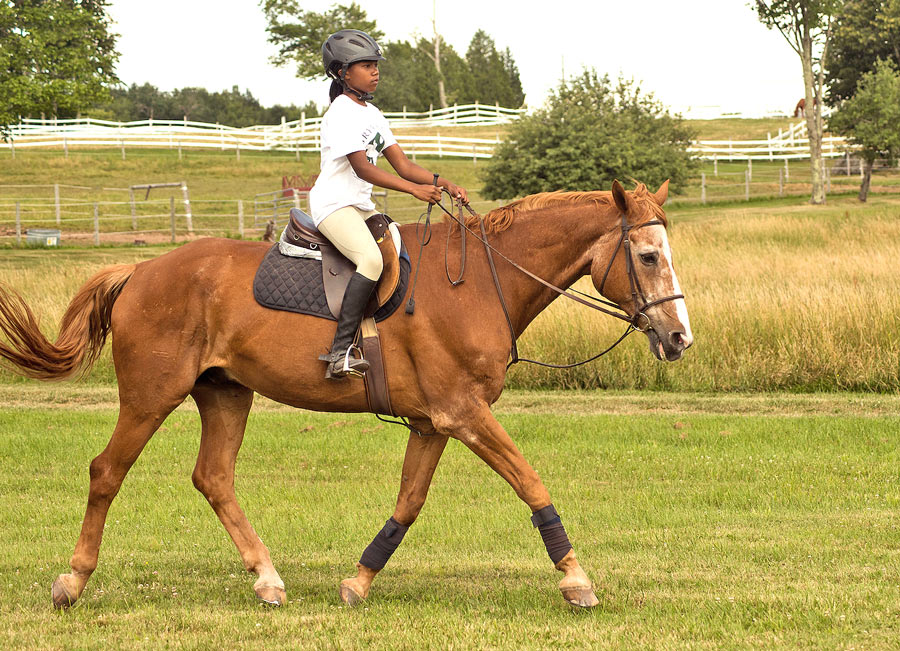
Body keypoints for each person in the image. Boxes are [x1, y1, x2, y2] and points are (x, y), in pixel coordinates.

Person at [310, 29, 469, 379]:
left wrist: (444, 183)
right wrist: (413, 192)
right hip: (334, 205)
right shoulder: (341, 113)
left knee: (400, 249)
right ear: (342, 73)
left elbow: (404, 165)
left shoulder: (372, 114)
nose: (375, 71)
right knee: (369, 259)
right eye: (366, 66)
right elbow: (362, 168)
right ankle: (339, 353)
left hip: (360, 207)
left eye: (375, 65)